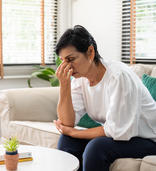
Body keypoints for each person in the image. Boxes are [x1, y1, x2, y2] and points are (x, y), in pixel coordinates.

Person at [53, 25, 156, 171]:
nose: (67, 67)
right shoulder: (79, 79)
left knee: (96, 148)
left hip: (148, 139)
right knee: (67, 141)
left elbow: (117, 131)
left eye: (71, 59)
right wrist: (64, 85)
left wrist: (73, 132)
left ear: (90, 52)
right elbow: (67, 122)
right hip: (123, 135)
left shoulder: (118, 76)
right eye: (63, 61)